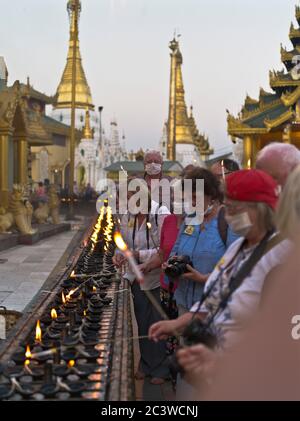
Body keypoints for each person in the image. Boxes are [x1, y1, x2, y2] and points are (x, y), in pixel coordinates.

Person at [149, 169, 288, 393]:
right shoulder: (237, 249)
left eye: (234, 209)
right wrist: (177, 323)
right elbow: (213, 299)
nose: (229, 215)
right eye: (228, 207)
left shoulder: (282, 257)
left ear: (259, 209)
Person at [113, 177, 170, 385]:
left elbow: (165, 248)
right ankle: (146, 363)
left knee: (157, 321)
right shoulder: (128, 215)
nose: (129, 203)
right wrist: (118, 254)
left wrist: (139, 255)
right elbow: (123, 241)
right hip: (136, 276)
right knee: (142, 321)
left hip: (156, 276)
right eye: (126, 198)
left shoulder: (159, 213)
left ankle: (161, 368)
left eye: (132, 198)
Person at [169, 167, 239, 316]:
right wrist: (171, 264)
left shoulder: (228, 221)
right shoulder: (190, 219)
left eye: (195, 197)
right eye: (188, 197)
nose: (192, 202)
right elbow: (176, 249)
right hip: (184, 304)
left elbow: (238, 267)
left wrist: (204, 278)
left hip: (214, 308)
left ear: (211, 195)